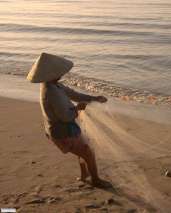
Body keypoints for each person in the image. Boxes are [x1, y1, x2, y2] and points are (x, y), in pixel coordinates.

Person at [27, 53, 109, 187]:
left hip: (64, 128)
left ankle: (85, 175)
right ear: (52, 74)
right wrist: (78, 109)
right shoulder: (51, 92)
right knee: (87, 152)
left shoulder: (54, 85)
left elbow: (74, 95)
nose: (61, 74)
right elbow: (65, 117)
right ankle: (96, 180)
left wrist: (94, 98)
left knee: (82, 149)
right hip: (62, 131)